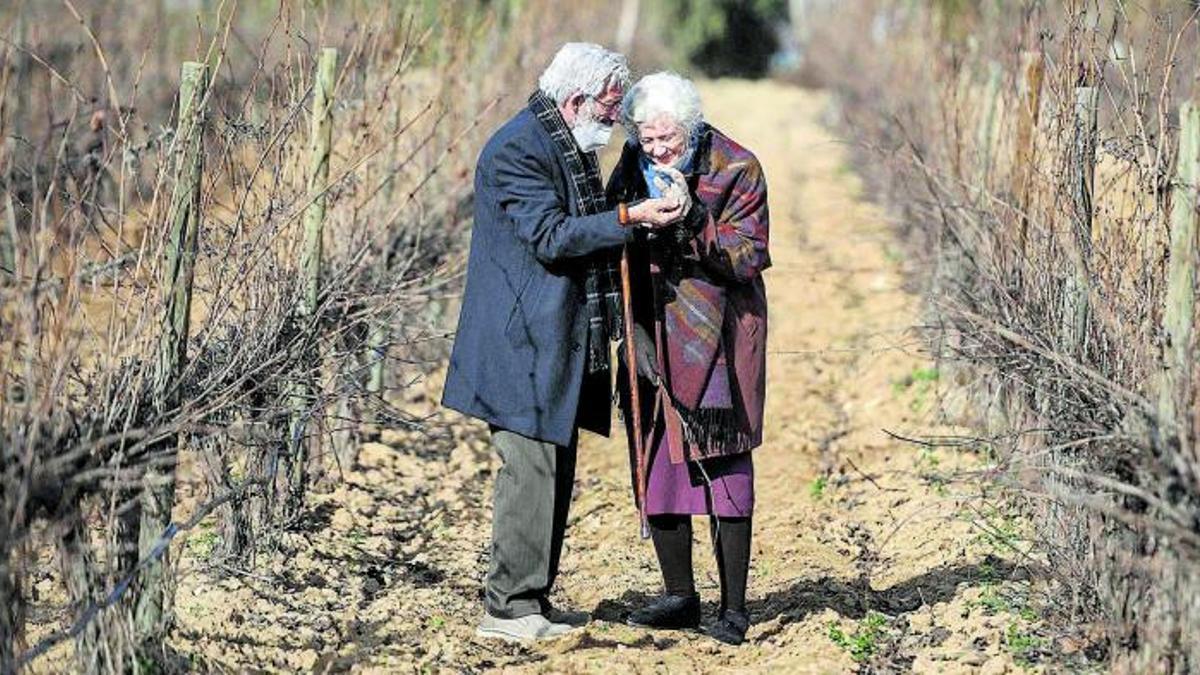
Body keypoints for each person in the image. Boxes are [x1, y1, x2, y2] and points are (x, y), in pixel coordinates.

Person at [441, 44, 684, 642]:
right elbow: (550, 237)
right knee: (529, 475)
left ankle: (532, 603)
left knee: (552, 471)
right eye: (607, 106)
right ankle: (507, 611)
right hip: (519, 350)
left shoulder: (561, 142)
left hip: (554, 345)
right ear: (576, 100)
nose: (613, 119)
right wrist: (629, 219)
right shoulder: (518, 149)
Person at [609, 71, 770, 646]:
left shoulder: (738, 166)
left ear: (691, 127)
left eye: (666, 140)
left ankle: (733, 609)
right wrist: (631, 333)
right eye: (646, 139)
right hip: (651, 328)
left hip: (719, 334)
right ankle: (679, 595)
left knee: (724, 464)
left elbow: (749, 257)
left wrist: (696, 220)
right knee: (659, 459)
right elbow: (615, 241)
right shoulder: (631, 165)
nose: (654, 150)